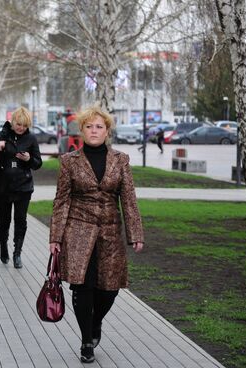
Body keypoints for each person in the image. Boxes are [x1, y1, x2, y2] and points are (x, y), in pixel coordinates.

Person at [48, 105, 144, 363]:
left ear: (107, 131)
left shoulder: (120, 160)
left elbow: (129, 199)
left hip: (110, 232)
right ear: (81, 130)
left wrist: (135, 233)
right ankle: (85, 341)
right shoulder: (69, 161)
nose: (94, 130)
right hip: (78, 231)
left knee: (109, 289)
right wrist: (55, 237)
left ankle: (95, 324)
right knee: (82, 286)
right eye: (89, 126)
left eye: (99, 126)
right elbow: (61, 200)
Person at [0, 107, 42, 268]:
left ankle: (17, 253)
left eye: (24, 125)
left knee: (20, 220)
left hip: (23, 187)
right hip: (2, 187)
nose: (21, 128)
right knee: (4, 220)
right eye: (18, 124)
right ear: (12, 122)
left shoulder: (31, 139)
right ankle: (3, 247)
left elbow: (37, 163)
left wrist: (28, 159)